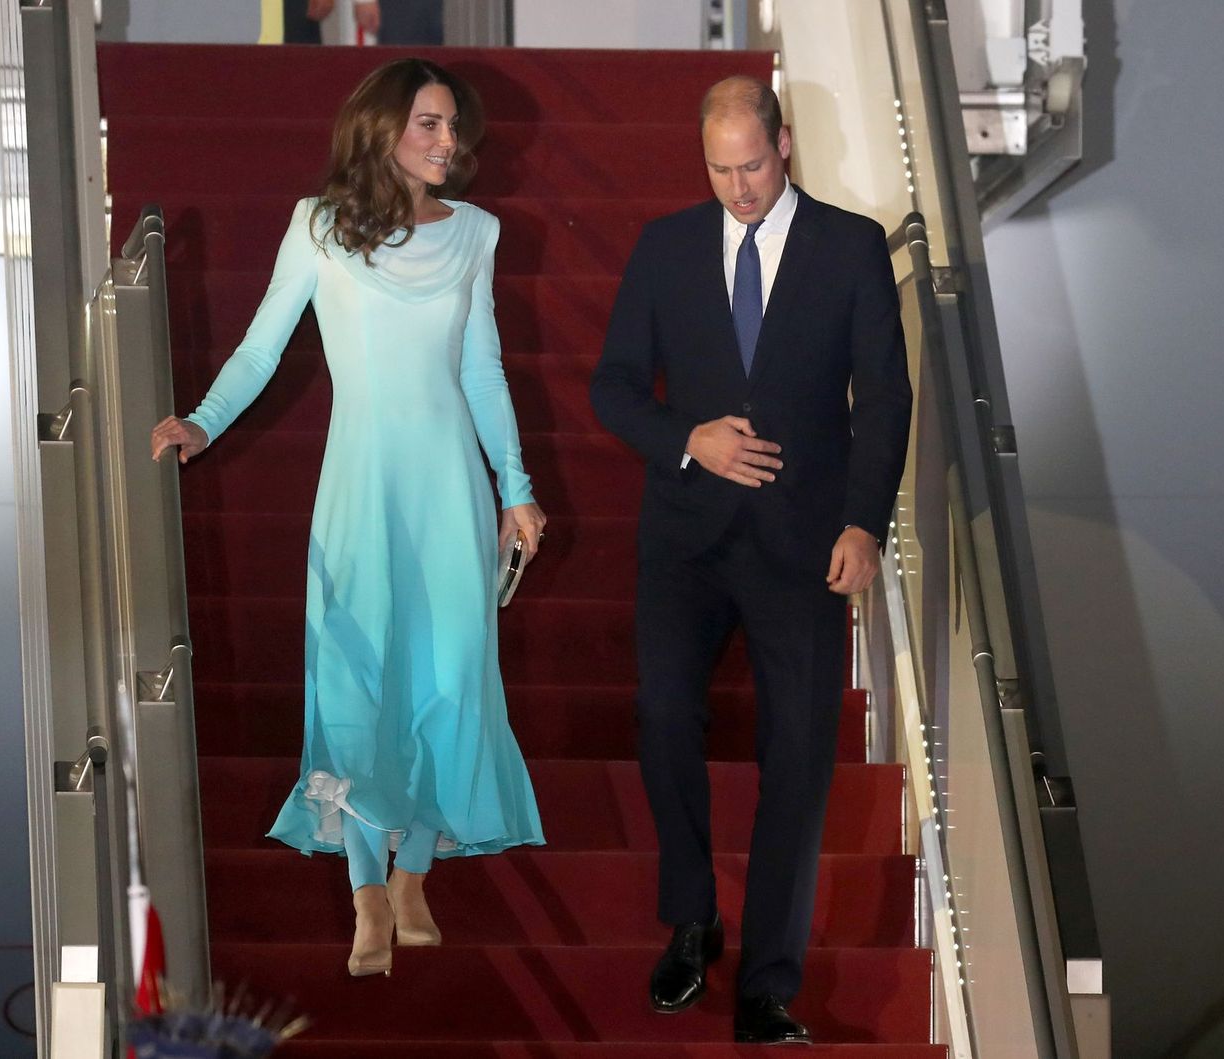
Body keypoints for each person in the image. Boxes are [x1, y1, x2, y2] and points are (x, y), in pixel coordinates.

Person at [151, 57, 547, 979]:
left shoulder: (477, 233)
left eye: (454, 126)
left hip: (450, 484)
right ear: (383, 131)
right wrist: (204, 420)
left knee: (449, 679)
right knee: (359, 684)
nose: (450, 142)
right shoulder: (320, 226)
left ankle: (414, 874)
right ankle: (367, 890)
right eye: (430, 125)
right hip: (361, 485)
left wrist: (516, 483)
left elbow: (481, 370)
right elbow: (262, 345)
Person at [589, 76, 911, 1044]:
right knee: (660, 715)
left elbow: (884, 399)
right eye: (719, 169)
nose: (737, 187)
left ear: (785, 144)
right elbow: (612, 386)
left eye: (753, 166)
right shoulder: (664, 247)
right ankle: (693, 918)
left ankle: (768, 981)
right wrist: (688, 437)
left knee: (799, 761)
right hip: (684, 538)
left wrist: (864, 523)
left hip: (803, 547)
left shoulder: (850, 245)